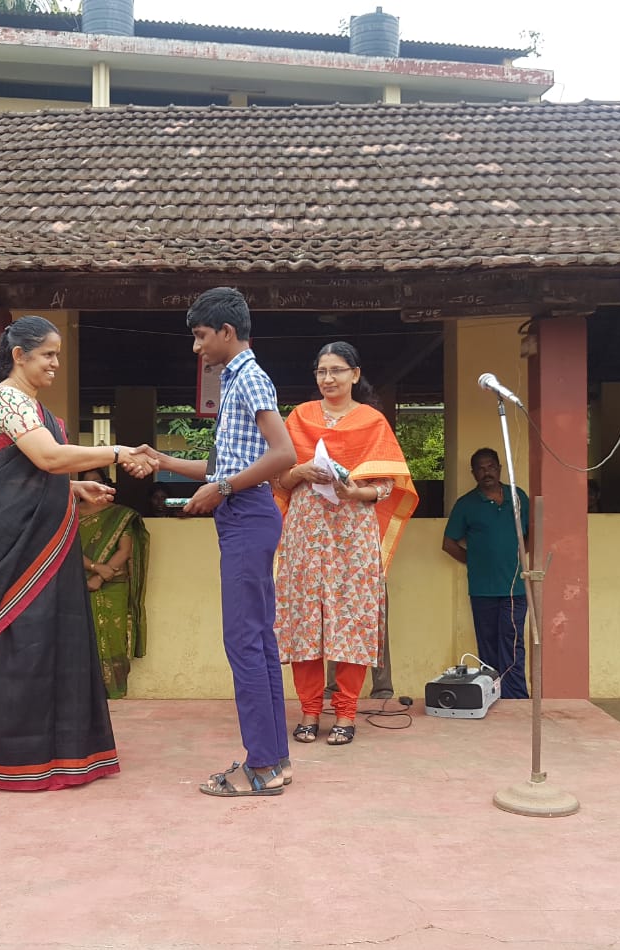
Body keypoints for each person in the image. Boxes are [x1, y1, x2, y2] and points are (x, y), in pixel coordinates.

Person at [0, 315, 154, 791]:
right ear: (19, 355)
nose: (54, 363)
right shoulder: (6, 397)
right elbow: (47, 458)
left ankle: (62, 756)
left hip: (47, 539)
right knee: (22, 639)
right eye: (48, 354)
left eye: (57, 355)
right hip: (13, 544)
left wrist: (71, 489)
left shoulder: (32, 406)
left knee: (53, 639)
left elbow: (31, 474)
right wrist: (117, 452)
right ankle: (11, 759)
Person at [153, 287, 297, 797]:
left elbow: (283, 454)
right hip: (245, 513)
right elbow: (222, 466)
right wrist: (163, 461)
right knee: (257, 640)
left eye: (200, 336)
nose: (197, 347)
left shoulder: (249, 377)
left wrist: (225, 490)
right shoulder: (236, 379)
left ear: (227, 331)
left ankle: (261, 767)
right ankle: (275, 760)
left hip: (248, 515)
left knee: (243, 641)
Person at [274, 341, 418, 747]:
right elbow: (279, 480)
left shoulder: (373, 422)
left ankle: (346, 713)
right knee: (304, 620)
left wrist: (356, 493)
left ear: (355, 374)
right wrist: (301, 471)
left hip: (352, 534)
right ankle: (309, 711)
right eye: (321, 371)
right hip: (305, 533)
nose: (328, 378)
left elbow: (387, 486)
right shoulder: (299, 417)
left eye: (336, 370)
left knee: (351, 620)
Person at [442, 447, 530, 699]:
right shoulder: (466, 504)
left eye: (490, 466)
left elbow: (531, 533)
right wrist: (476, 561)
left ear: (499, 468)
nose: (486, 472)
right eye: (480, 468)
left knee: (513, 644)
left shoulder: (518, 497)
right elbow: (448, 544)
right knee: (488, 647)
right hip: (482, 590)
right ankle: (493, 696)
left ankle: (516, 699)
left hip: (515, 588)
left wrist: (518, 556)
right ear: (473, 473)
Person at [76, 468, 150, 699]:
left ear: (107, 484)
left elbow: (125, 551)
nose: (94, 488)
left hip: (114, 584)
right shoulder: (70, 514)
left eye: (98, 482)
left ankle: (114, 689)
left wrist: (100, 577)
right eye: (88, 483)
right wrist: (96, 568)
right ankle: (84, 691)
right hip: (78, 584)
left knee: (114, 635)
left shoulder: (120, 515)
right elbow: (67, 549)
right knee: (80, 636)